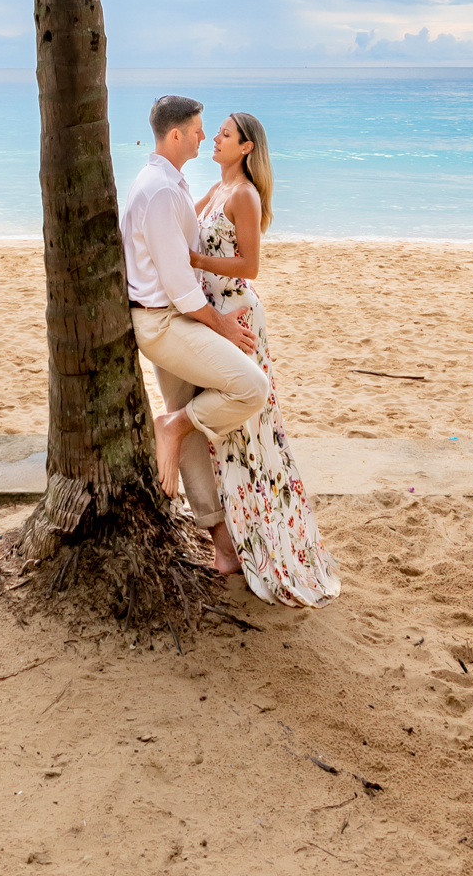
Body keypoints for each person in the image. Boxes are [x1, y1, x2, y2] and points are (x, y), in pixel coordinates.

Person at [189, 111, 340, 605]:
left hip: (237, 318)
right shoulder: (212, 191)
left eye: (225, 135)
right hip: (212, 316)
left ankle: (263, 539)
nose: (215, 138)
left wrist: (195, 262)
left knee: (250, 428)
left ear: (247, 147)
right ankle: (234, 539)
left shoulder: (244, 196)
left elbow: (249, 266)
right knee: (229, 434)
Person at [120, 94, 269, 575]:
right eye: (201, 129)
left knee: (186, 422)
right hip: (165, 322)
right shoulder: (161, 191)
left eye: (216, 130)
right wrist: (220, 323)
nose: (207, 136)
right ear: (177, 134)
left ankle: (222, 547)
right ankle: (174, 425)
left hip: (171, 317)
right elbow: (181, 282)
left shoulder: (174, 182)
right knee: (249, 388)